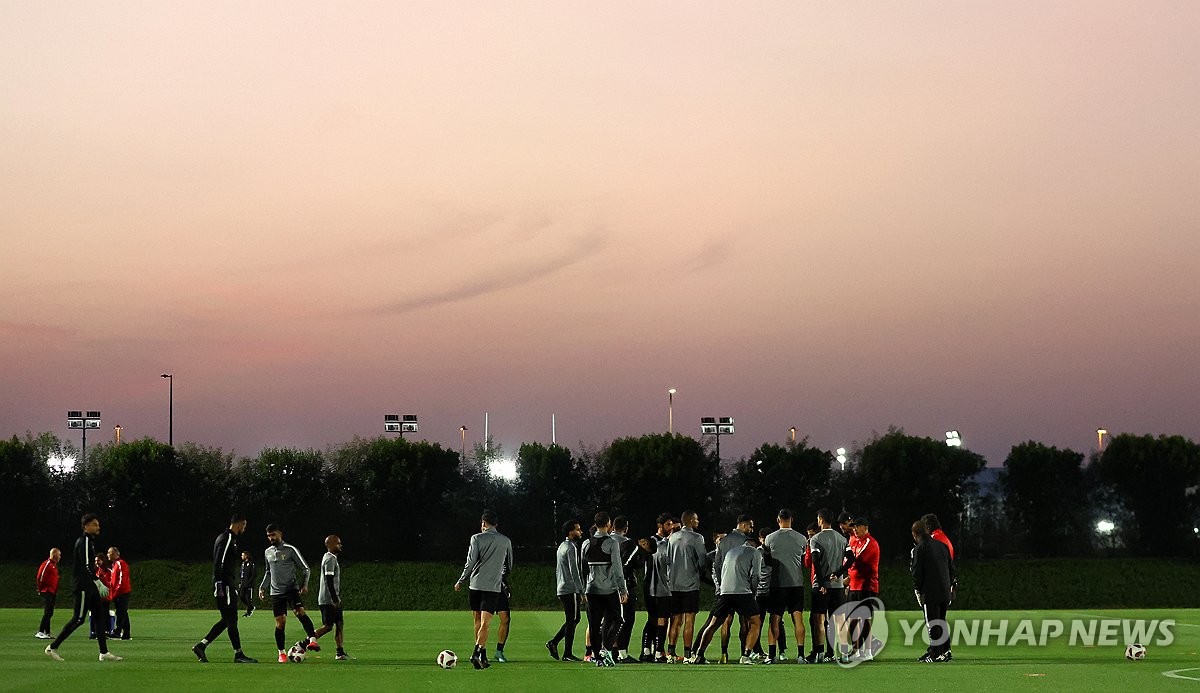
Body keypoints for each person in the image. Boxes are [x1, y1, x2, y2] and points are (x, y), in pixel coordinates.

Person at [45, 513, 121, 662]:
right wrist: (97, 582)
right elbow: (87, 565)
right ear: (86, 526)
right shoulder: (85, 541)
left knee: (100, 617)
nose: (98, 527)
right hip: (83, 586)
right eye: (95, 524)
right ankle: (52, 647)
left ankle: (104, 652)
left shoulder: (89, 542)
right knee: (79, 618)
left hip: (90, 586)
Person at [193, 514, 258, 663]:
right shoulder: (228, 538)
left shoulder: (227, 538)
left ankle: (201, 646)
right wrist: (219, 584)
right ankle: (238, 654)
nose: (244, 528)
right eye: (244, 525)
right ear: (239, 524)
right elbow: (219, 562)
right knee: (232, 619)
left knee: (227, 619)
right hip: (225, 584)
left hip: (227, 583)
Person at [692, 530, 763, 665]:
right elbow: (756, 576)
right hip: (743, 592)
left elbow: (720, 569)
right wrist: (753, 592)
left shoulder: (731, 552)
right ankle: (746, 655)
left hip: (724, 593)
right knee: (755, 622)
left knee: (713, 625)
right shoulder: (755, 552)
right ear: (753, 543)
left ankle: (699, 654)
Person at [454, 510, 514, 670]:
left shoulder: (476, 538)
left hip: (475, 585)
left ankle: (482, 655)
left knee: (477, 621)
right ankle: (477, 653)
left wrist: (461, 580)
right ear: (496, 524)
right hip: (492, 588)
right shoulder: (506, 541)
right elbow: (509, 565)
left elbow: (470, 562)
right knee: (486, 624)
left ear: (483, 523)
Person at [258, 523, 319, 663]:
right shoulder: (267, 552)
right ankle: (282, 653)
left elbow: (306, 569)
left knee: (300, 612)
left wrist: (304, 584)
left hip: (291, 589)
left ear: (280, 533)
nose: (271, 538)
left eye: (273, 534)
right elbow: (268, 572)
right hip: (276, 593)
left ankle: (313, 640)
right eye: (268, 536)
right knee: (280, 623)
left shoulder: (290, 549)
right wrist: (262, 588)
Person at [581, 512, 627, 667]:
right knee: (618, 619)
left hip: (591, 590)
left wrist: (583, 589)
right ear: (609, 524)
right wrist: (623, 590)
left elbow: (582, 569)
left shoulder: (586, 543)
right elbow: (618, 569)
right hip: (609, 589)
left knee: (594, 625)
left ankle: (598, 659)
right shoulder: (612, 543)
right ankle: (605, 649)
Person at [764, 509, 808, 664]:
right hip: (796, 584)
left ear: (778, 520)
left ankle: (772, 656)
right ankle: (801, 655)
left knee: (774, 620)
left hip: (777, 584)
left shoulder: (770, 538)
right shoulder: (802, 538)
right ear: (791, 519)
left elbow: (766, 558)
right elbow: (804, 559)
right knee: (798, 618)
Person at [833, 517, 880, 659]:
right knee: (853, 619)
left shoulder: (869, 542)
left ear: (865, 527)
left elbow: (856, 561)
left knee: (864, 619)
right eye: (853, 527)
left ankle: (868, 651)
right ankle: (856, 650)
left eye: (857, 526)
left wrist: (846, 575)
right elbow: (848, 560)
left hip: (866, 585)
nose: (854, 529)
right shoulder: (854, 541)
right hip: (854, 585)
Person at [912, 519, 955, 663]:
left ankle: (936, 654)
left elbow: (917, 572)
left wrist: (918, 589)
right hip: (944, 590)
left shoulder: (920, 548)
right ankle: (944, 650)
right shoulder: (942, 546)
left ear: (915, 534)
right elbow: (951, 569)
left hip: (930, 592)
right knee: (941, 621)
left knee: (932, 623)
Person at [809, 508, 848, 662]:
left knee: (819, 619)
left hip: (822, 586)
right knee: (839, 620)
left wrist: (821, 582)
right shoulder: (842, 539)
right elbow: (851, 559)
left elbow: (815, 561)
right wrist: (839, 573)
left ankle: (819, 653)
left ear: (821, 520)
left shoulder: (816, 539)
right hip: (838, 587)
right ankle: (844, 654)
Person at [666, 510, 706, 662]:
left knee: (675, 620)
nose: (698, 522)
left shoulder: (672, 537)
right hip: (690, 584)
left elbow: (668, 560)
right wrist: (699, 572)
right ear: (690, 521)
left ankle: (670, 653)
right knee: (689, 620)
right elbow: (702, 561)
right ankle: (688, 654)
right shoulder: (697, 538)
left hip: (674, 584)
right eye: (696, 519)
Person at [612, 515, 649, 664]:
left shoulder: (606, 541)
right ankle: (622, 653)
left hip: (604, 586)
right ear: (626, 528)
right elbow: (627, 565)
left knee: (610, 620)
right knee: (626, 620)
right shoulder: (628, 544)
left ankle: (607, 651)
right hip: (624, 585)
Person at [547, 519, 585, 662]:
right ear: (571, 532)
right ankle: (566, 653)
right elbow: (574, 571)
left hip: (563, 587)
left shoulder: (562, 546)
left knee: (573, 619)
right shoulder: (571, 548)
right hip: (570, 588)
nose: (580, 532)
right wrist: (581, 591)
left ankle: (554, 643)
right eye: (578, 529)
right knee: (573, 619)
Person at [311, 535, 348, 661]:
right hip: (328, 599)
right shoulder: (330, 559)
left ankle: (340, 652)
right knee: (328, 626)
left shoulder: (331, 558)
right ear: (330, 545)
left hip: (332, 598)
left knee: (339, 623)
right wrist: (334, 599)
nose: (340, 545)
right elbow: (329, 580)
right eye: (338, 543)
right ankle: (304, 643)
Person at [643, 513, 675, 663]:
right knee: (661, 620)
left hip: (651, 588)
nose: (671, 527)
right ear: (660, 526)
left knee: (653, 619)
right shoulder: (658, 543)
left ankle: (646, 651)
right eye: (668, 524)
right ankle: (657, 653)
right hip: (660, 587)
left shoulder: (652, 541)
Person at [35, 548, 61, 639]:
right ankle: (41, 631)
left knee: (50, 612)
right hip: (46, 591)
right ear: (54, 555)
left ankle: (47, 632)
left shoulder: (53, 565)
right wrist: (40, 589)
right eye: (59, 555)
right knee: (48, 612)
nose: (60, 557)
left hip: (52, 591)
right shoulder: (47, 564)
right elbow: (40, 577)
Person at [107, 547, 131, 640]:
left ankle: (117, 631)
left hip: (122, 592)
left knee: (121, 612)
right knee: (123, 612)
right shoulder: (114, 565)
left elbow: (121, 579)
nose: (108, 555)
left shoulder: (120, 563)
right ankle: (126, 633)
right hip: (119, 592)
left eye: (110, 553)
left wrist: (116, 591)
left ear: (116, 554)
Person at [90, 553, 112, 639]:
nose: (96, 562)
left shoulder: (108, 571)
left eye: (98, 560)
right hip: (98, 597)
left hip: (105, 596)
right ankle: (95, 632)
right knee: (97, 614)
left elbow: (110, 583)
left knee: (105, 614)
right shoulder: (97, 571)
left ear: (103, 560)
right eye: (95, 561)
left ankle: (105, 632)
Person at [239, 551, 256, 617]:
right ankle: (251, 607)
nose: (241, 556)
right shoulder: (243, 564)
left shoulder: (251, 564)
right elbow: (241, 574)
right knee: (241, 596)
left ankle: (249, 612)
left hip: (249, 585)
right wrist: (240, 582)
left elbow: (253, 575)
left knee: (249, 598)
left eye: (242, 555)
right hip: (243, 584)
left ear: (246, 556)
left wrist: (249, 582)